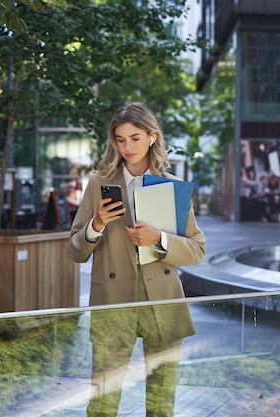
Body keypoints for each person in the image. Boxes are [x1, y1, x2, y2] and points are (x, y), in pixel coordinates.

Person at [68, 102, 206, 417]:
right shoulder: (99, 184)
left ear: (152, 137)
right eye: (120, 139)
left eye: (134, 138)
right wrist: (96, 224)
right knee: (103, 402)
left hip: (162, 304)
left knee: (161, 406)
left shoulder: (171, 187)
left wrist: (159, 238)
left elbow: (197, 248)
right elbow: (74, 251)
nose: (127, 147)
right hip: (113, 304)